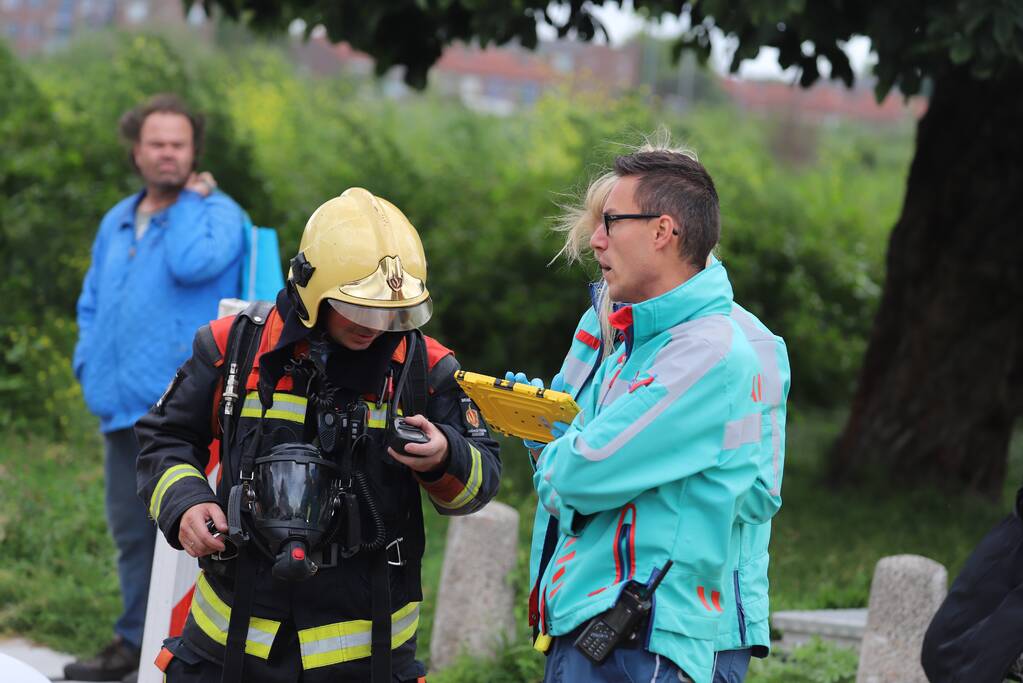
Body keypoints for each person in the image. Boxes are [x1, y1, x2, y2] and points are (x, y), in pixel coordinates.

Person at [135, 187, 502, 682]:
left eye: (390, 310)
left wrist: (443, 456)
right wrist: (185, 503)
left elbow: (480, 483)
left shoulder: (424, 368)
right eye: (361, 308)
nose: (377, 326)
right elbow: (164, 438)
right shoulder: (235, 346)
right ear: (313, 292)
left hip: (365, 657)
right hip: (230, 646)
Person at [522, 156, 790, 683]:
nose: (596, 241)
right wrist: (559, 446)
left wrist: (598, 466)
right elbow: (570, 455)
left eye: (611, 222)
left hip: (653, 626)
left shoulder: (716, 349)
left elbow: (575, 473)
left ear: (664, 232)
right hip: (588, 609)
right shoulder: (627, 331)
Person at [68, 93, 246, 682]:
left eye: (178, 144)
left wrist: (191, 202)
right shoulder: (118, 218)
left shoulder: (217, 214)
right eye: (156, 143)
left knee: (181, 539)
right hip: (120, 405)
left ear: (194, 151)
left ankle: (173, 657)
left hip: (182, 415)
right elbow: (92, 299)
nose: (167, 154)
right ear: (136, 150)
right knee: (129, 533)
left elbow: (193, 263)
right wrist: (87, 361)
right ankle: (130, 645)